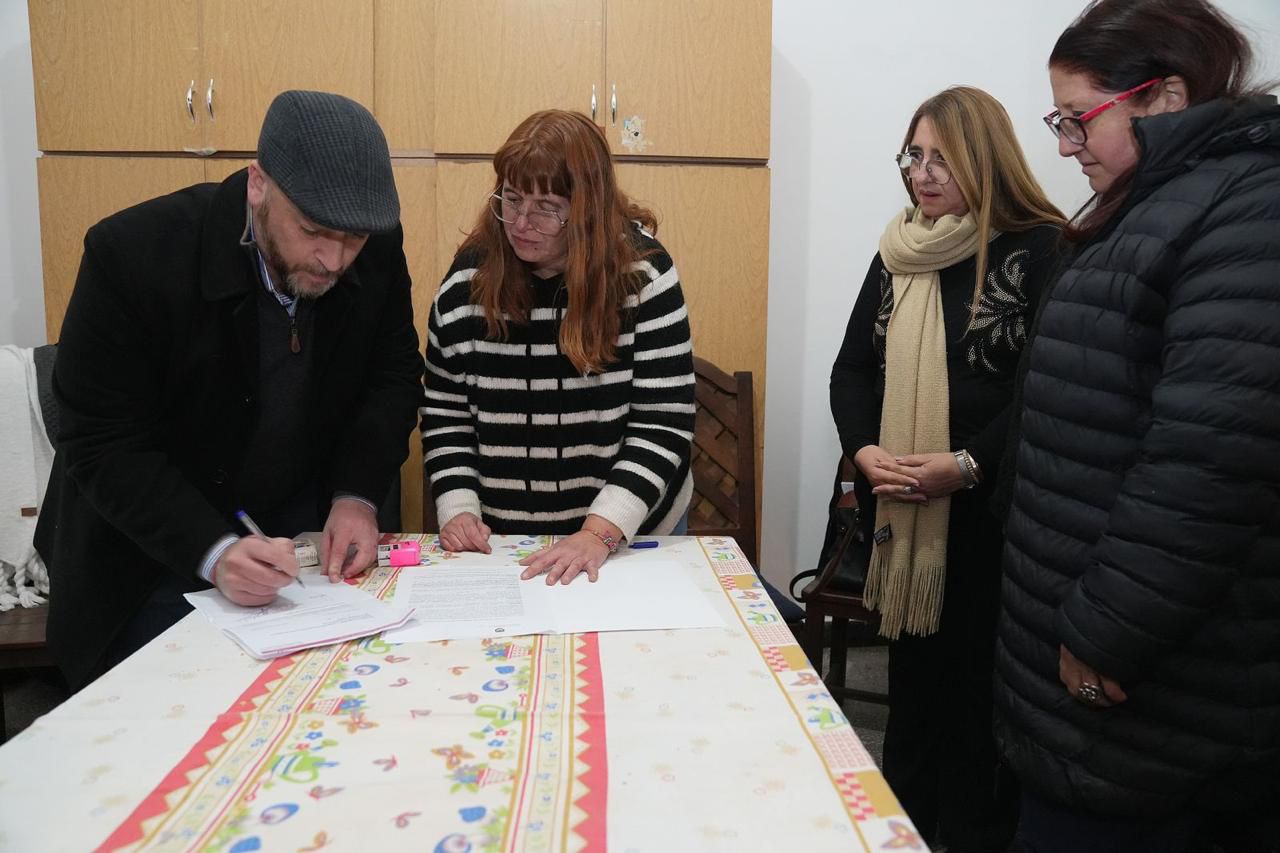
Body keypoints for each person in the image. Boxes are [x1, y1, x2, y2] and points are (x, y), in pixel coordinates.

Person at [994, 1, 1280, 850]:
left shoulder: (1248, 211)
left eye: (1079, 119)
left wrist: (1104, 634)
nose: (1065, 146)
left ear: (1165, 98)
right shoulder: (1155, 204)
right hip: (1092, 674)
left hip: (1148, 692)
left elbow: (1209, 461)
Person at [36, 90, 423, 690]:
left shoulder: (373, 244)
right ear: (257, 184)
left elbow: (391, 375)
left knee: (324, 700)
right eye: (313, 230)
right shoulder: (132, 255)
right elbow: (102, 441)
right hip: (150, 547)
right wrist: (212, 550)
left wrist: (357, 495)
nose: (334, 260)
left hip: (292, 532)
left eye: (353, 240)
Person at [830, 86, 1065, 852]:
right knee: (913, 695)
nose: (922, 173)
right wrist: (864, 453)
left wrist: (965, 465)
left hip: (990, 519)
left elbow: (1041, 390)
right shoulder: (900, 248)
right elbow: (851, 369)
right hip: (901, 511)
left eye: (942, 158)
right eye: (914, 155)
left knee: (975, 706)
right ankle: (903, 831)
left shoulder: (1040, 249)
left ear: (984, 159)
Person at [421, 110, 695, 585]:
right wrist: (459, 507)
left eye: (547, 207)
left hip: (628, 534)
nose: (521, 223)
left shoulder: (643, 275)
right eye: (511, 199)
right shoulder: (467, 283)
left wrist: (599, 531)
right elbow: (447, 413)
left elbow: (663, 421)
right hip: (507, 542)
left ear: (587, 208)